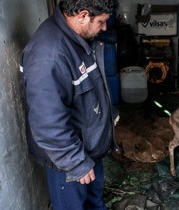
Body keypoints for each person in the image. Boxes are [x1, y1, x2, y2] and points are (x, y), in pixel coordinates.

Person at [20, 0, 119, 209]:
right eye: (101, 22)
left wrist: (109, 114)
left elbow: (93, 87)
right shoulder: (48, 57)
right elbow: (48, 126)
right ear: (83, 15)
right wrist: (77, 164)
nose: (104, 28)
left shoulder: (78, 37)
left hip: (91, 150)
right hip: (70, 163)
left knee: (94, 203)